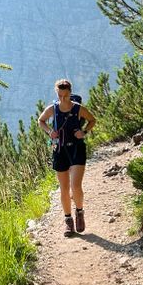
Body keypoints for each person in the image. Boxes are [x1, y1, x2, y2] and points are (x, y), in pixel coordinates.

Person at [38, 78, 97, 236]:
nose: (63, 98)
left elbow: (92, 120)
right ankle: (68, 221)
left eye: (65, 95)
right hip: (59, 150)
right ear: (57, 93)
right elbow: (41, 121)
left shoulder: (78, 109)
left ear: (70, 93)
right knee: (64, 189)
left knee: (75, 186)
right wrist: (50, 132)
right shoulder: (52, 109)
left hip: (77, 149)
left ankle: (79, 212)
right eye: (60, 95)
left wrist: (83, 132)